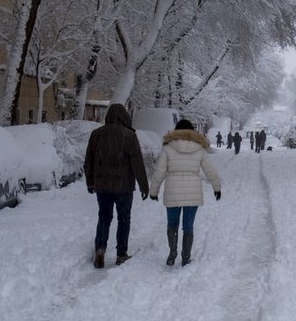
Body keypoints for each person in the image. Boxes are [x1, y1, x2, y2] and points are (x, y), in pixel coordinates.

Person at [83, 103, 149, 269]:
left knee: (104, 217)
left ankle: (100, 250)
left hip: (102, 186)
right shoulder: (129, 136)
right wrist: (144, 186)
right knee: (124, 219)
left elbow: (88, 162)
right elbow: (137, 163)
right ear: (124, 117)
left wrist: (90, 182)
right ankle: (121, 254)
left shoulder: (96, 135)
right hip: (123, 187)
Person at [149, 118, 223, 267]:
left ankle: (172, 252)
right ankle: (186, 257)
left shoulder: (168, 147)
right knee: (188, 226)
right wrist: (217, 187)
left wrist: (154, 191)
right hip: (193, 192)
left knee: (172, 224)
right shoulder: (199, 148)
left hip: (173, 192)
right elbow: (210, 170)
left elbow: (160, 171)